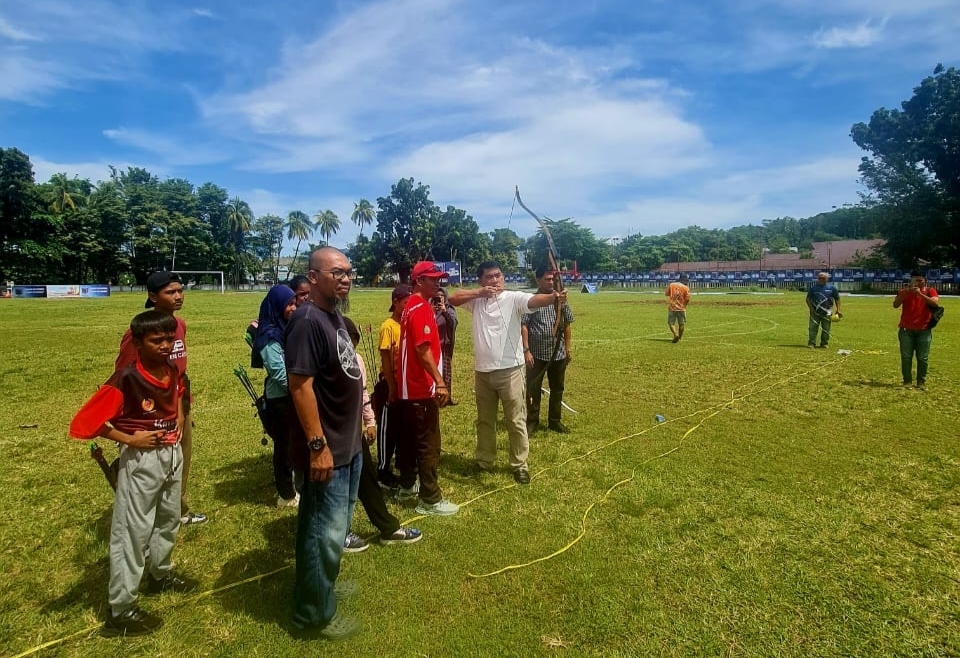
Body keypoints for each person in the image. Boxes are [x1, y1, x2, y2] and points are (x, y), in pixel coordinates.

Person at [70, 311, 197, 637]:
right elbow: (85, 423)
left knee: (168, 518)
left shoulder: (170, 368)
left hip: (171, 456)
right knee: (132, 533)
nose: (167, 345)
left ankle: (160, 573)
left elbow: (179, 390)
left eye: (170, 339)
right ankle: (121, 610)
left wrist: (180, 419)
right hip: (142, 461)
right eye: (157, 341)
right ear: (137, 344)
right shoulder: (126, 378)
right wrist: (129, 439)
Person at [286, 247, 363, 640]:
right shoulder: (306, 321)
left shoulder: (332, 316)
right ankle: (311, 615)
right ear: (313, 277)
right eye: (337, 273)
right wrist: (318, 447)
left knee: (333, 530)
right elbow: (300, 386)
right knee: (322, 533)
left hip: (347, 446)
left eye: (348, 272)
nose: (346, 278)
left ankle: (321, 590)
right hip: (326, 450)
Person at [449, 261, 568, 485]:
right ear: (481, 280)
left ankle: (519, 464)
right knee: (485, 420)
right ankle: (485, 460)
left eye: (499, 276)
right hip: (483, 372)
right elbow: (452, 299)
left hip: (510, 370)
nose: (495, 280)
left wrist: (554, 297)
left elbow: (534, 300)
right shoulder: (476, 301)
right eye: (490, 277)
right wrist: (479, 293)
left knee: (515, 419)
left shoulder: (513, 298)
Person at [116, 271, 206, 526]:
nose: (178, 296)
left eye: (180, 290)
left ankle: (177, 512)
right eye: (170, 292)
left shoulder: (180, 325)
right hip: (151, 412)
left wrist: (184, 405)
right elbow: (125, 376)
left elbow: (178, 370)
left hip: (179, 403)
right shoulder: (139, 333)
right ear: (153, 297)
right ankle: (149, 516)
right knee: (153, 466)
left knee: (180, 459)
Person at [341, 316, 423, 551]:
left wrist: (370, 422)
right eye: (345, 342)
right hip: (333, 436)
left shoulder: (357, 360)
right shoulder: (325, 363)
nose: (350, 347)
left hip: (354, 433)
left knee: (367, 480)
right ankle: (340, 534)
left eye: (353, 341)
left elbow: (363, 394)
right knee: (337, 489)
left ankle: (388, 529)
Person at [396, 261, 458, 516]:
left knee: (412, 440)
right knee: (429, 443)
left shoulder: (410, 305)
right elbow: (422, 350)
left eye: (439, 278)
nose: (438, 282)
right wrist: (440, 381)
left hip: (410, 389)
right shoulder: (420, 307)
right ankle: (430, 499)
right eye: (433, 278)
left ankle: (407, 485)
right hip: (421, 388)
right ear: (419, 281)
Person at [253, 285, 300, 508]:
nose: (292, 308)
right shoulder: (269, 336)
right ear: (276, 307)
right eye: (287, 304)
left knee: (292, 444)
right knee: (284, 446)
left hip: (292, 395)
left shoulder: (285, 328)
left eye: (294, 303)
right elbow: (279, 373)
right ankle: (285, 494)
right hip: (280, 399)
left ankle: (293, 486)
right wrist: (303, 389)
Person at [521, 265, 575, 434]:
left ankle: (554, 421)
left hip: (557, 353)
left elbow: (566, 324)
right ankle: (532, 421)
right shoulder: (532, 300)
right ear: (538, 280)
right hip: (536, 354)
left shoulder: (560, 299)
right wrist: (526, 350)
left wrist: (567, 349)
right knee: (533, 387)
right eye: (546, 279)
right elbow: (524, 325)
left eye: (552, 279)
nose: (550, 282)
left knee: (557, 387)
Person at [373, 284, 411, 489]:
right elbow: (386, 358)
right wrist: (391, 386)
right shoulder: (389, 326)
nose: (407, 307)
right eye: (405, 303)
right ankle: (382, 470)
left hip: (406, 384)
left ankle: (399, 463)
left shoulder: (408, 324)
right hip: (390, 383)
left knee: (403, 429)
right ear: (395, 303)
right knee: (387, 430)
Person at [893, 270, 940, 389]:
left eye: (920, 280)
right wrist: (906, 292)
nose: (918, 283)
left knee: (923, 357)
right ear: (911, 281)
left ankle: (921, 382)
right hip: (906, 330)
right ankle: (907, 381)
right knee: (906, 357)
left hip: (924, 330)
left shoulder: (930, 291)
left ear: (925, 281)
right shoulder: (904, 291)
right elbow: (895, 305)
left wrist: (920, 294)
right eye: (915, 280)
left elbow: (935, 303)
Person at [433, 285, 458, 405]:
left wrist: (445, 311)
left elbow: (453, 323)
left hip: (445, 346)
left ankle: (446, 398)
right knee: (434, 371)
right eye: (437, 296)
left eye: (441, 296)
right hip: (433, 345)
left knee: (446, 372)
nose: (439, 298)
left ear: (445, 297)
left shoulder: (449, 309)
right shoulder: (430, 308)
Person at [806, 272, 841, 348]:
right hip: (815, 313)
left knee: (826, 329)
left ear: (827, 279)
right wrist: (811, 309)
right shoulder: (813, 288)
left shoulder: (832, 288)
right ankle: (811, 343)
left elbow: (837, 299)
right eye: (819, 278)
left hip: (827, 313)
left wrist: (838, 309)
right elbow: (808, 299)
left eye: (823, 278)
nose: (821, 279)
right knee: (812, 328)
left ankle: (824, 343)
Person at [666, 273, 691, 343]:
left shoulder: (672, 285)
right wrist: (684, 305)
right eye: (686, 280)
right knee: (681, 324)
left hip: (672, 308)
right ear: (683, 280)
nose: (687, 282)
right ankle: (680, 337)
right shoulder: (686, 288)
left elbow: (666, 293)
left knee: (671, 323)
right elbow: (688, 299)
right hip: (681, 308)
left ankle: (675, 334)